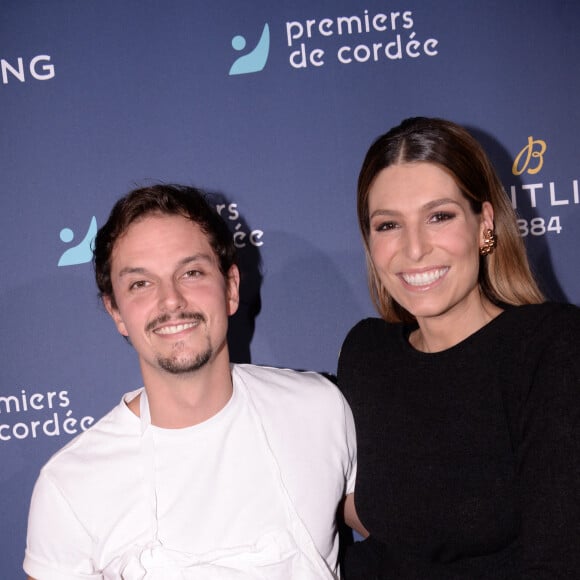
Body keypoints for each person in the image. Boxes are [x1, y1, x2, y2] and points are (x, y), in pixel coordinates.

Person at [24, 184, 356, 579]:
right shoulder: (70, 486)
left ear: (230, 288)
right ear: (115, 311)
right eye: (140, 284)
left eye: (191, 272)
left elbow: (410, 539)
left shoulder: (319, 409)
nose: (171, 301)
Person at [338, 117, 580, 579]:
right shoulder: (367, 355)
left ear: (484, 223)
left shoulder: (551, 348)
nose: (413, 250)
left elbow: (559, 559)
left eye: (439, 216)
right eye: (388, 225)